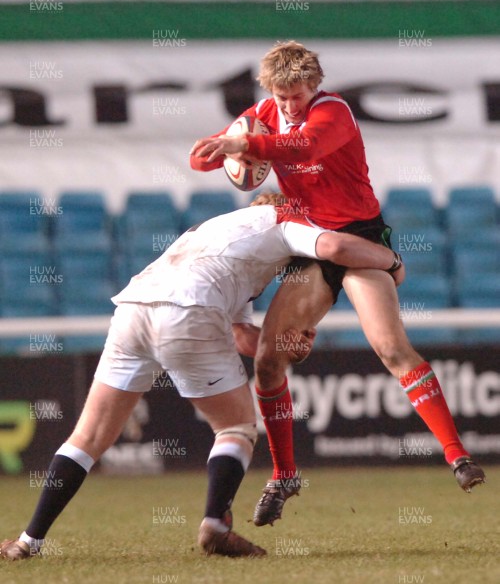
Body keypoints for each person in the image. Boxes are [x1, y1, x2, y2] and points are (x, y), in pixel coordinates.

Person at [0, 196, 403, 561]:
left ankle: (27, 542)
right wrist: (393, 261)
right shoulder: (284, 219)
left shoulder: (216, 227)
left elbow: (241, 333)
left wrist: (277, 343)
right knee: (236, 428)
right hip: (189, 309)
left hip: (134, 308)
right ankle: (215, 524)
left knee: (86, 439)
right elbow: (335, 247)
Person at [190, 40, 486, 527]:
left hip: (357, 237)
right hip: (310, 242)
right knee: (268, 357)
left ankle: (456, 455)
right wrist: (214, 152)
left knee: (391, 347)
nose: (288, 104)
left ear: (315, 84)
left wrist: (244, 144)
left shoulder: (336, 113)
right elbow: (211, 156)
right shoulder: (263, 113)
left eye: (297, 94)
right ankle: (285, 474)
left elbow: (304, 146)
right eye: (282, 96)